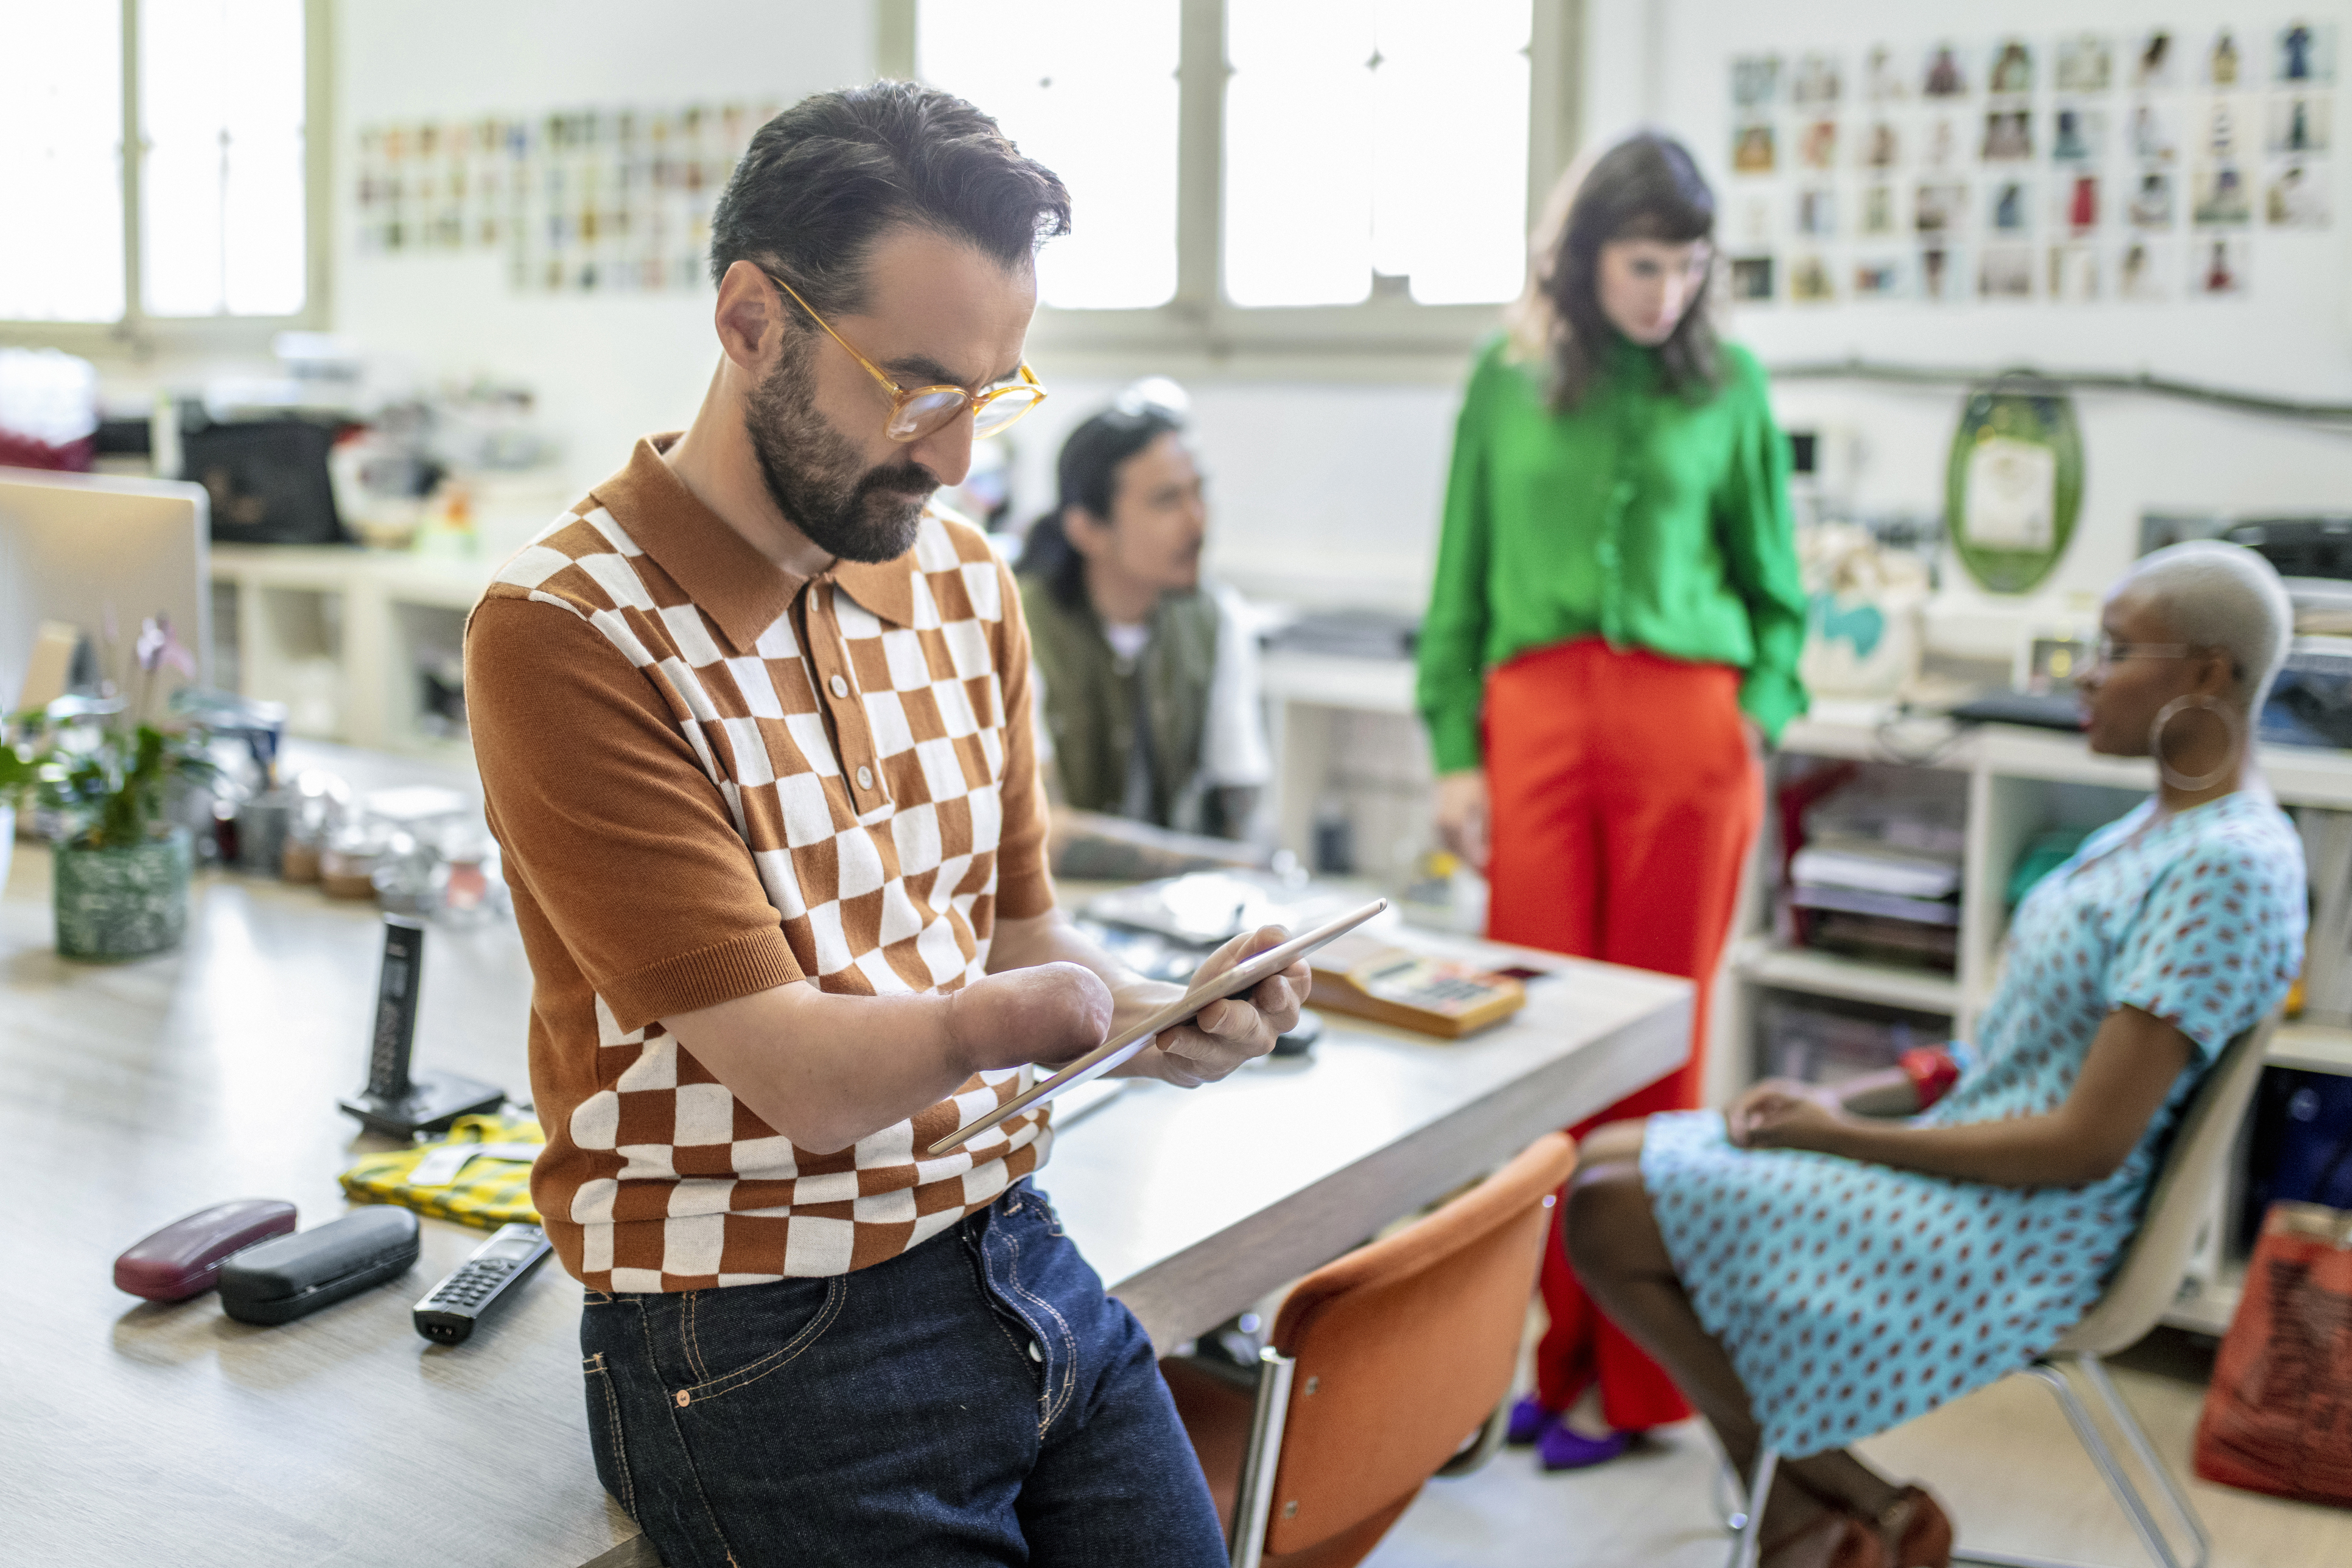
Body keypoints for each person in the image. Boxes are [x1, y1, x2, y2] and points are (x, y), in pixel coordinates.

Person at [463, 82, 1309, 1568]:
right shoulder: (568, 631)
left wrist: (1161, 1015)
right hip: (757, 1333)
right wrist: (1047, 1012)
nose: (957, 455)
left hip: (1010, 1245)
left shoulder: (968, 579)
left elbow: (1022, 932)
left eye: (994, 392)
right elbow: (803, 1078)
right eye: (917, 388)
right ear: (749, 322)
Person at [1566, 542, 2305, 1567]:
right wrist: (1844, 1101)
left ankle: (1810, 1512)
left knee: (1606, 1206)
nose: (2081, 676)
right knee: (1602, 1163)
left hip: (2028, 1229)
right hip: (1978, 1163)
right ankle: (1834, 1508)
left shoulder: (2221, 865)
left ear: (2207, 672)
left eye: (2112, 651)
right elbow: (2009, 1052)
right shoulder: (2158, 828)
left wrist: (1842, 1142)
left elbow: (2084, 1144)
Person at [1415, 131, 1808, 1470]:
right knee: (1544, 1053)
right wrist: (1452, 746)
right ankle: (1551, 1350)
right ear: (1583, 260)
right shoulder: (1505, 377)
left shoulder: (1733, 386)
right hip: (1531, 726)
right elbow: (1457, 573)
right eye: (1646, 265)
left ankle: (1630, 1384)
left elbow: (1778, 599)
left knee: (1661, 1057)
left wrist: (1747, 726)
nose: (1668, 294)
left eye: (1691, 267)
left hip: (1687, 740)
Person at [1015, 394, 1270, 841]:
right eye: (1168, 501)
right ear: (1088, 529)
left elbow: (1240, 805)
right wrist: (1217, 862)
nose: (1198, 522)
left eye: (1199, 492)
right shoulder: (1015, 625)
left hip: (1164, 902)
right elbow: (1043, 833)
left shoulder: (1215, 618)